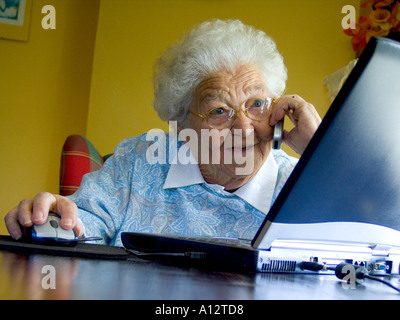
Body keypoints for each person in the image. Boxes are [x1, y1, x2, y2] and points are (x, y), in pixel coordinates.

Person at [4, 19, 321, 247]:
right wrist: (50, 220)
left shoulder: (307, 185)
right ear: (182, 127)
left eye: (257, 104)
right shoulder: (140, 161)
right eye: (218, 111)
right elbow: (81, 228)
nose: (243, 127)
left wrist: (323, 156)